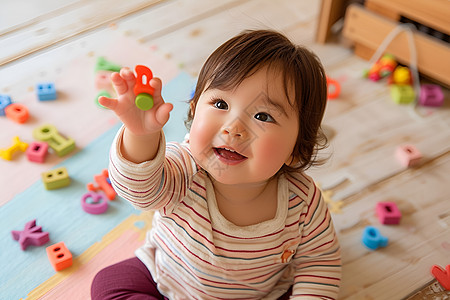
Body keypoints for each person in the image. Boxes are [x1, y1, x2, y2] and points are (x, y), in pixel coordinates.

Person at [91, 29, 341, 300]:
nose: (233, 128)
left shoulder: (302, 201)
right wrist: (141, 135)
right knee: (107, 284)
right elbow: (140, 191)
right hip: (167, 278)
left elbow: (319, 262)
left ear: (295, 149)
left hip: (260, 294)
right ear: (195, 110)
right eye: (220, 103)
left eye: (263, 116)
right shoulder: (185, 169)